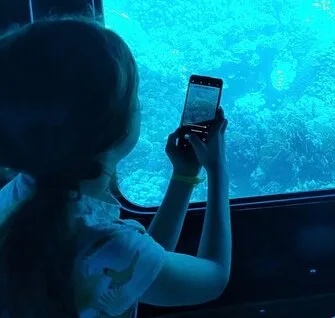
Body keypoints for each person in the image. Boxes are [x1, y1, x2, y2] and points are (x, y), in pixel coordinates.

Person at [0, 18, 232, 317]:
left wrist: (184, 176)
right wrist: (218, 171)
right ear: (116, 127)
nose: (140, 105)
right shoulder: (110, 244)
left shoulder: (15, 198)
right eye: (135, 100)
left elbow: (142, 263)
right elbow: (214, 277)